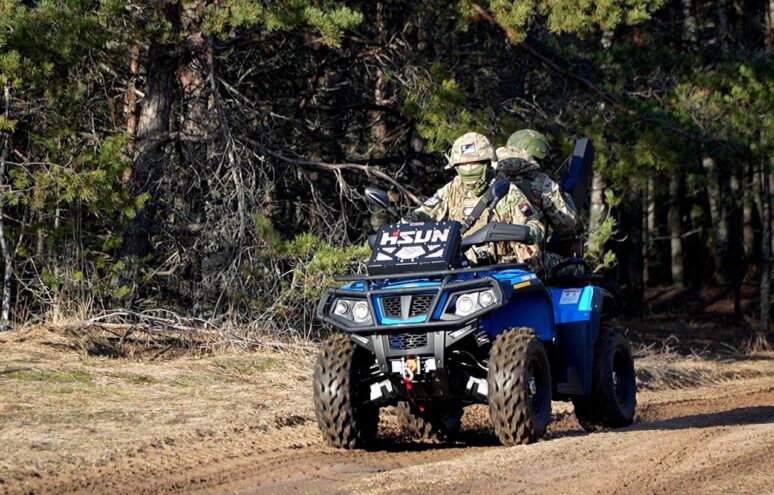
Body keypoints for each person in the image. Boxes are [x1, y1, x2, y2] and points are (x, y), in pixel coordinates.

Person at [405, 132, 545, 266]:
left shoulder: (507, 191)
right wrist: (407, 223)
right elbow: (426, 211)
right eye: (464, 165)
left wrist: (515, 232)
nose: (470, 169)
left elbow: (535, 227)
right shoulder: (453, 188)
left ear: (488, 163)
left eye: (475, 164)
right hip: (460, 268)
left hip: (502, 269)